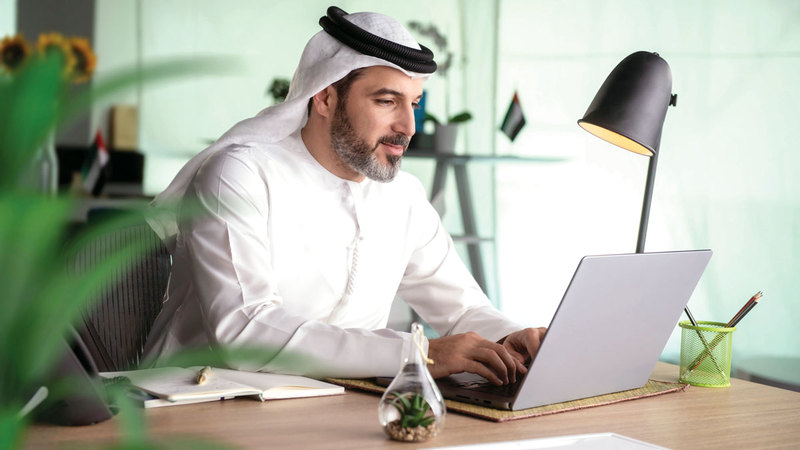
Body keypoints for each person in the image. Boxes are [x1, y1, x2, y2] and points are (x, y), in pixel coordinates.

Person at [143, 6, 545, 386]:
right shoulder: (240, 176)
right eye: (387, 101)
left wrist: (511, 337)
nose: (408, 126)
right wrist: (417, 353)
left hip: (338, 408)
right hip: (197, 399)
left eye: (414, 104)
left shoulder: (404, 197)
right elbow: (245, 330)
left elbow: (462, 309)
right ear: (325, 97)